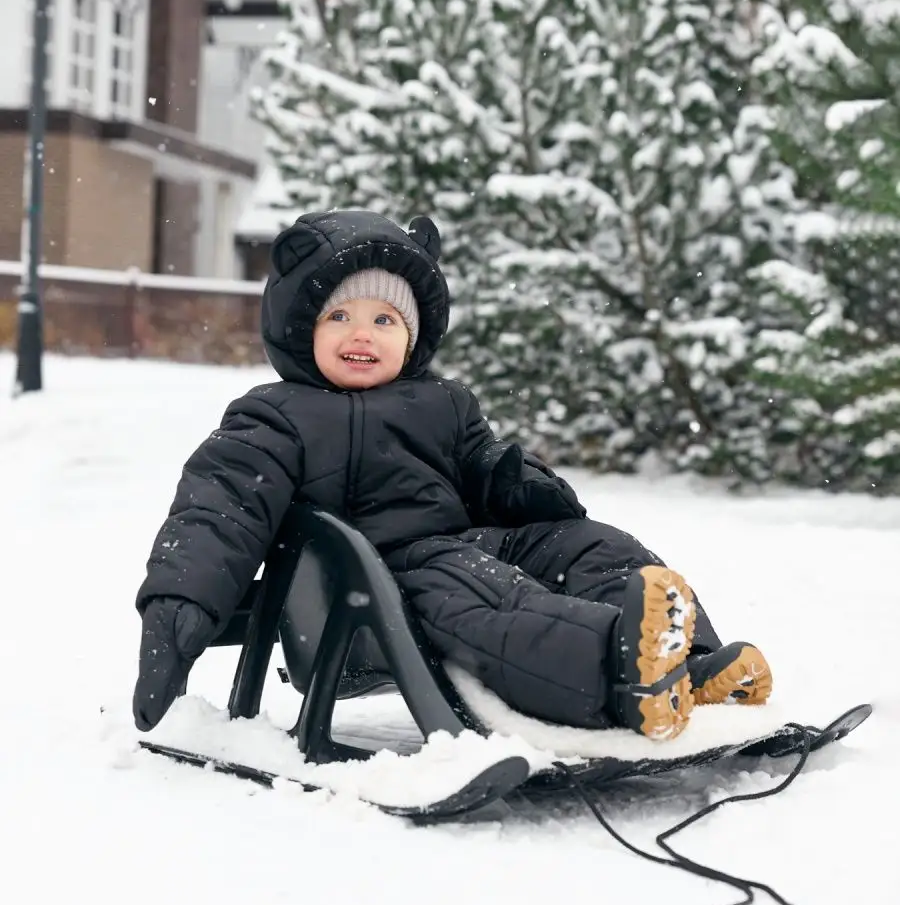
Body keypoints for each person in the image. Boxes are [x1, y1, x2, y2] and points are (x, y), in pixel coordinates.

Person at [133, 209, 772, 740]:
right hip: (362, 595)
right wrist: (177, 611)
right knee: (489, 594)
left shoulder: (444, 403)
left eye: (385, 320)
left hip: (461, 551)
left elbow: (480, 470)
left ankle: (691, 665)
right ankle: (620, 674)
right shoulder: (272, 417)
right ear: (301, 328)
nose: (364, 334)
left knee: (593, 545)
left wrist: (518, 484)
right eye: (339, 317)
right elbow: (217, 514)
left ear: (411, 336)